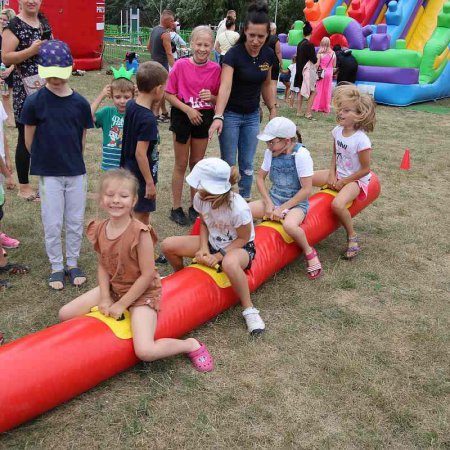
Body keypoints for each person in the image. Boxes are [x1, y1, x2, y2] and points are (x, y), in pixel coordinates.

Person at [58, 168, 214, 372]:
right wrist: (105, 297)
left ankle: (190, 345)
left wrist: (122, 304)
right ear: (101, 199)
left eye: (123, 196)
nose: (115, 200)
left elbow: (148, 274)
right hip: (116, 287)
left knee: (145, 351)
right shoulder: (100, 228)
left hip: (143, 293)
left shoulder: (140, 233)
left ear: (133, 200)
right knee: (65, 314)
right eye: (110, 195)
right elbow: (103, 266)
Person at [162, 158, 265, 335]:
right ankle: (182, 278)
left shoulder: (238, 208)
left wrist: (219, 256)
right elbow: (204, 222)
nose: (197, 189)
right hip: (212, 242)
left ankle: (249, 309)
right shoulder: (200, 198)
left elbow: (243, 238)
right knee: (168, 245)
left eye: (201, 186)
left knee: (229, 264)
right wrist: (203, 248)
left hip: (239, 248)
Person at [21, 40, 93, 290]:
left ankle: (72, 263)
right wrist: (45, 160)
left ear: (70, 68)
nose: (55, 80)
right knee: (52, 221)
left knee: (74, 220)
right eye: (50, 76)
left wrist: (72, 160)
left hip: (75, 172)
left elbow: (81, 138)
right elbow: (28, 139)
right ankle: (56, 266)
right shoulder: (34, 102)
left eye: (60, 75)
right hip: (49, 173)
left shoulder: (81, 104)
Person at [209, 2, 277, 201]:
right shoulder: (233, 55)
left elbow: (266, 84)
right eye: (252, 35)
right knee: (229, 163)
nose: (256, 41)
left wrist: (272, 108)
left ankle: (245, 201)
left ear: (267, 36)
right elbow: (225, 86)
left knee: (247, 163)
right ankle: (226, 200)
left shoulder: (268, 55)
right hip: (230, 115)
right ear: (244, 31)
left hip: (252, 116)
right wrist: (219, 116)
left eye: (261, 37)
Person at [249, 117, 322, 279]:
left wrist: (282, 209)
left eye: (272, 142)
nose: (268, 146)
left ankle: (309, 252)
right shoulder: (271, 153)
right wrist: (268, 203)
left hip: (297, 204)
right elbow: (260, 178)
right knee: (245, 210)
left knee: (290, 225)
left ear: (287, 141)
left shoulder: (301, 155)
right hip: (275, 199)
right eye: (267, 142)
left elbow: (306, 190)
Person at [312, 84, 376, 259]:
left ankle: (352, 237)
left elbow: (365, 169)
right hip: (338, 173)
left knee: (337, 205)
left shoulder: (361, 140)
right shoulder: (337, 131)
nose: (340, 113)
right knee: (306, 178)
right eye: (340, 109)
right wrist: (332, 174)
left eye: (346, 110)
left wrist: (344, 181)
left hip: (356, 180)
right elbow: (335, 154)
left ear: (358, 115)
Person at [165, 26, 221, 226]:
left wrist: (213, 97)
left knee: (197, 164)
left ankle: (194, 206)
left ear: (212, 46)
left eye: (207, 45)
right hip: (183, 114)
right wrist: (187, 110)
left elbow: (219, 98)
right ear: (191, 44)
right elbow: (168, 93)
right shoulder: (180, 65)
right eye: (199, 44)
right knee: (181, 164)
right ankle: (176, 207)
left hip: (204, 117)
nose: (203, 49)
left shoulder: (216, 69)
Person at [2, 0, 52, 201]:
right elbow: (5, 57)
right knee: (26, 135)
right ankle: (24, 186)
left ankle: (46, 183)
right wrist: (30, 51)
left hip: (47, 85)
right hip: (26, 89)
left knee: (47, 133)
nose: (32, 1)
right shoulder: (13, 26)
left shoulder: (43, 21)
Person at [120, 61, 167, 228]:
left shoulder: (132, 105)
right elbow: (141, 153)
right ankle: (139, 251)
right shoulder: (147, 120)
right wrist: (149, 182)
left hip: (127, 170)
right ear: (158, 89)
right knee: (140, 218)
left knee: (133, 213)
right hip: (140, 176)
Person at [91, 65, 135, 171]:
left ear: (133, 96)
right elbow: (87, 117)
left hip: (129, 166)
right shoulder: (107, 112)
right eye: (118, 97)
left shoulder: (135, 114)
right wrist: (101, 96)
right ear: (111, 95)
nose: (122, 101)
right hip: (109, 165)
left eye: (127, 97)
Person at [147, 9, 175, 123]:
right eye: (172, 21)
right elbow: (169, 53)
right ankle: (155, 115)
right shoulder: (165, 34)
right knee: (162, 91)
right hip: (162, 65)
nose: (173, 23)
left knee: (158, 90)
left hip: (154, 63)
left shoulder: (154, 30)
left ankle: (164, 113)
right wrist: (175, 68)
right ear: (166, 20)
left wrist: (155, 56)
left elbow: (148, 46)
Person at [294, 21, 317, 119]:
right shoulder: (309, 45)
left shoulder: (300, 44)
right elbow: (314, 60)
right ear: (311, 33)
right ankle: (308, 113)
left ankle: (299, 111)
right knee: (313, 92)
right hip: (307, 72)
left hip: (299, 70)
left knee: (300, 91)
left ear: (303, 33)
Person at [0, 8, 16, 128]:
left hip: (12, 70)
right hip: (1, 72)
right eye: (0, 18)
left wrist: (10, 69)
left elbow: (17, 56)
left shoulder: (12, 36)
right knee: (5, 95)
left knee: (16, 95)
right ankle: (9, 120)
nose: (1, 21)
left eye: (4, 20)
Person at [312, 37, 335, 114]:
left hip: (321, 72)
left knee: (318, 89)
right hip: (329, 72)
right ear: (329, 43)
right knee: (327, 90)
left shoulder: (320, 53)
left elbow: (317, 64)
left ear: (321, 43)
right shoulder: (333, 53)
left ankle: (317, 106)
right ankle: (325, 107)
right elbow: (334, 64)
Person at [267, 22, 283, 107]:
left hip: (265, 62)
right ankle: (273, 102)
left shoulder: (264, 37)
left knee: (266, 83)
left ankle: (265, 100)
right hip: (274, 62)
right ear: (274, 29)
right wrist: (281, 62)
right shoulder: (275, 39)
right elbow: (278, 52)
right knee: (273, 83)